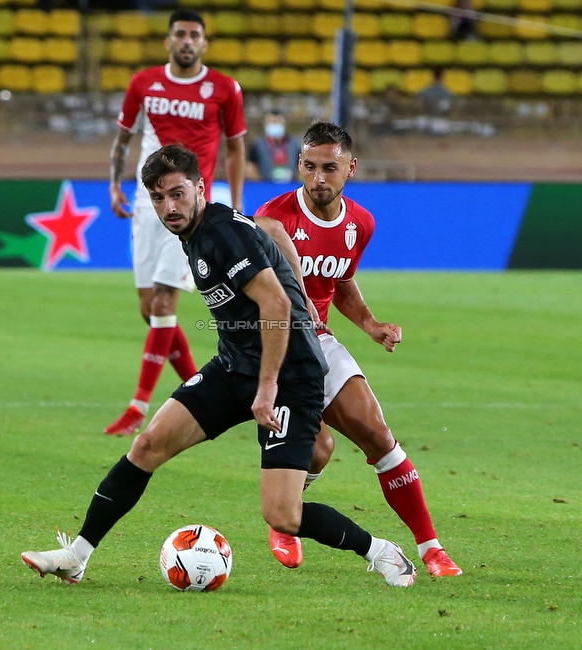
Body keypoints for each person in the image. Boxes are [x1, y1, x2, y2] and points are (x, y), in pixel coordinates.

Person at [21, 144, 417, 588]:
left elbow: (275, 303)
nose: (168, 207)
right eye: (157, 198)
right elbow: (274, 234)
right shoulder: (198, 232)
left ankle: (383, 552)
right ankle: (76, 556)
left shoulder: (222, 235)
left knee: (283, 516)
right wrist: (297, 284)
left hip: (290, 378)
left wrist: (268, 386)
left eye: (177, 194)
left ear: (199, 188)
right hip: (235, 366)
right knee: (148, 445)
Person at [254, 122, 463, 578]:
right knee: (319, 450)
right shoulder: (273, 217)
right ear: (299, 166)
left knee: (376, 432)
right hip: (271, 343)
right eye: (309, 167)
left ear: (351, 167)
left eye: (330, 168)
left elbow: (339, 278)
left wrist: (369, 323)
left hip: (319, 342)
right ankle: (285, 518)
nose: (318, 179)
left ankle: (431, 549)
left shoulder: (360, 224)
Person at [104, 9, 247, 436]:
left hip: (191, 208)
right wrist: (114, 185)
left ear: (204, 43)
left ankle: (138, 406)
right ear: (168, 41)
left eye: (195, 34)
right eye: (180, 34)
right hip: (148, 203)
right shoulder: (144, 83)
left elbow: (236, 149)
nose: (187, 40)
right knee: (151, 313)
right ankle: (200, 391)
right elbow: (123, 139)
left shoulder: (224, 88)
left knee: (166, 305)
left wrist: (236, 206)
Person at [247, 110, 302, 184]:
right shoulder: (257, 144)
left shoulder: (294, 144)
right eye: (272, 122)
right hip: (265, 186)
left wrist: (296, 181)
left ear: (284, 123)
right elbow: (250, 166)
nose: (275, 124)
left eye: (278, 122)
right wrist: (260, 184)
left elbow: (301, 164)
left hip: (290, 185)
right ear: (265, 124)